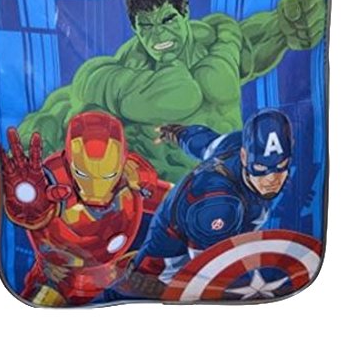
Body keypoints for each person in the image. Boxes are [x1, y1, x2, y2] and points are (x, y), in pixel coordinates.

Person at [18, 0, 324, 182]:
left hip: (228, 191)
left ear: (185, 12)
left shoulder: (219, 43)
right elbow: (64, 110)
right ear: (135, 28)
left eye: (167, 20)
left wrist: (295, 21)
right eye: (147, 26)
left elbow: (271, 34)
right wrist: (36, 138)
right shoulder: (119, 75)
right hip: (153, 207)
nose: (159, 35)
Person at [0, 111, 171, 306]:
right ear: (69, 161)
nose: (95, 188)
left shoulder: (133, 177)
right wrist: (26, 204)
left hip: (116, 274)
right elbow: (35, 211)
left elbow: (175, 199)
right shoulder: (52, 182)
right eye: (83, 174)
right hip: (60, 279)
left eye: (108, 175)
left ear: (121, 162)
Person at [121, 109, 293, 298]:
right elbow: (210, 271)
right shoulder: (217, 203)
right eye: (260, 168)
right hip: (162, 270)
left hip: (218, 240)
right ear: (244, 156)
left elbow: (203, 142)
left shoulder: (236, 142)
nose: (271, 179)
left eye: (280, 166)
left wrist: (177, 133)